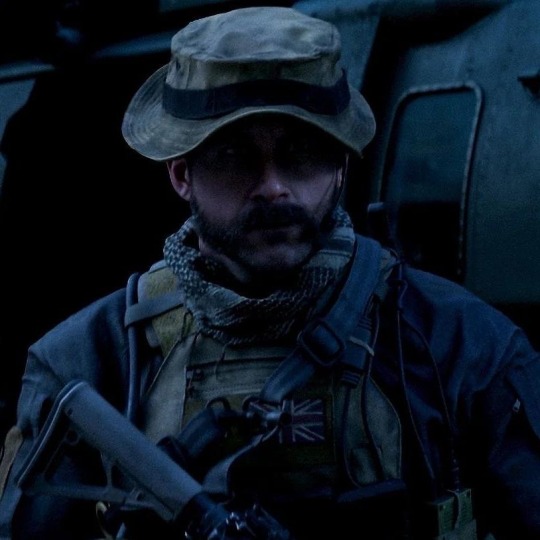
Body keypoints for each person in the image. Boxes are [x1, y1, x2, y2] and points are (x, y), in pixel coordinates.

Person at [0, 5, 540, 540]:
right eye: (234, 156)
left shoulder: (462, 347)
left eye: (301, 153)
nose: (273, 187)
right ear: (181, 174)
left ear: (340, 166)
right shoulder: (89, 361)